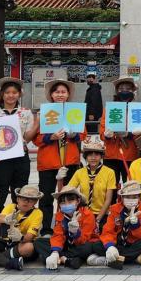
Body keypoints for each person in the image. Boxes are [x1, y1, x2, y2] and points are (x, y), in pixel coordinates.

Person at [0, 76, 37, 217]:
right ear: (2, 95)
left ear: (19, 94)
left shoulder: (26, 113)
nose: (11, 95)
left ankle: (18, 223)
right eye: (7, 92)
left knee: (21, 193)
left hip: (20, 158)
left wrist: (38, 123)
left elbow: (27, 137)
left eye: (14, 92)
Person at [32, 78, 82, 233]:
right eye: (57, 92)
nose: (60, 94)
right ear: (51, 95)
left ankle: (68, 227)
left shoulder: (75, 111)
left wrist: (74, 135)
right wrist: (50, 137)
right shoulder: (44, 112)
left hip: (70, 161)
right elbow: (35, 139)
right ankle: (46, 229)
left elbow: (83, 134)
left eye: (63, 92)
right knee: (46, 197)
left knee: (69, 197)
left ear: (68, 94)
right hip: (48, 163)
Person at [37, 185, 105, 270]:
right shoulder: (59, 215)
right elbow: (58, 235)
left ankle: (62, 259)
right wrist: (55, 251)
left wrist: (75, 232)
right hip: (67, 245)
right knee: (38, 242)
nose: (66, 204)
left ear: (78, 201)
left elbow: (85, 239)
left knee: (87, 248)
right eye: (63, 202)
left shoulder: (87, 214)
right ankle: (66, 259)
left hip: (83, 244)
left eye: (70, 201)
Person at [99, 180, 141, 268]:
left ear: (139, 197)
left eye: (134, 197)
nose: (131, 200)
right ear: (122, 198)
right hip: (118, 242)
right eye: (128, 197)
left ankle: (112, 260)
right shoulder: (114, 209)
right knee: (97, 244)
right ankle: (132, 258)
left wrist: (135, 225)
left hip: (135, 243)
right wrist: (110, 246)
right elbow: (108, 230)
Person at [65, 136, 117, 229]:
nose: (93, 158)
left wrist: (97, 220)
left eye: (96, 154)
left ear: (101, 156)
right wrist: (60, 180)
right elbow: (67, 191)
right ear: (86, 157)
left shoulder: (109, 172)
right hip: (84, 213)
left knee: (103, 235)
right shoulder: (79, 172)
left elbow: (108, 199)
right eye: (90, 155)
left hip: (102, 214)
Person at [101, 77, 140, 179]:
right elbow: (102, 133)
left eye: (128, 88)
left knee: (131, 184)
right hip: (111, 154)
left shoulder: (138, 109)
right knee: (111, 185)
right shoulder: (109, 109)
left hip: (130, 153)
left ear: (133, 91)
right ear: (116, 91)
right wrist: (107, 135)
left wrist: (130, 134)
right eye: (121, 89)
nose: (124, 91)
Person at [83, 70, 103, 134]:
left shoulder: (94, 89)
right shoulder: (92, 88)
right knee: (90, 130)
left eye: (89, 79)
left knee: (91, 131)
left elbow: (94, 102)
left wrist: (91, 114)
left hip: (91, 115)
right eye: (87, 79)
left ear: (93, 79)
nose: (87, 80)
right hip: (91, 114)